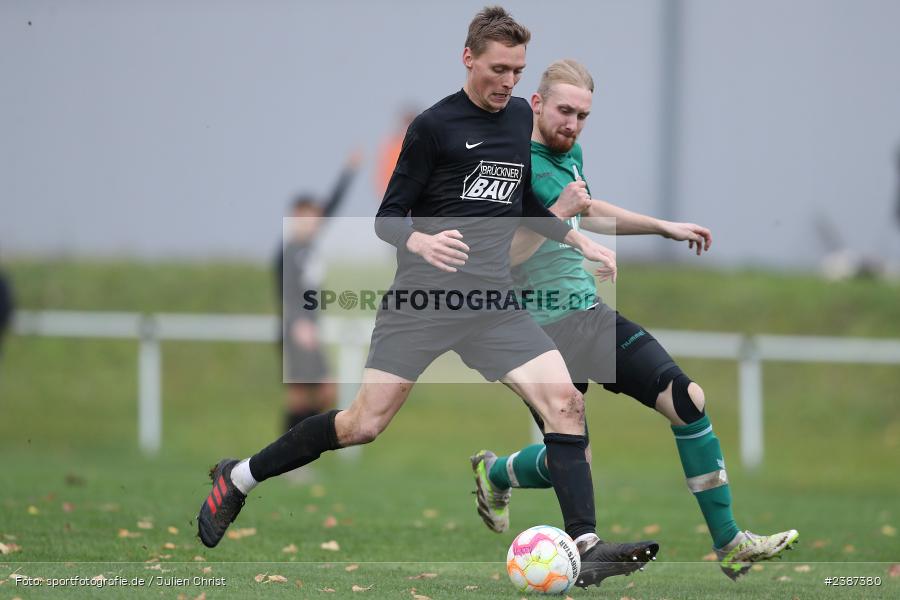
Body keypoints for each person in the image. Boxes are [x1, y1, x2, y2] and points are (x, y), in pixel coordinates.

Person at [197, 7, 658, 588]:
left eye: (517, 70)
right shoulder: (433, 128)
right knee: (363, 424)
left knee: (565, 401)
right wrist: (420, 238)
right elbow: (387, 218)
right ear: (468, 59)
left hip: (494, 304)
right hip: (424, 306)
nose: (509, 82)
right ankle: (238, 478)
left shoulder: (519, 118)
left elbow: (518, 202)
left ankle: (586, 544)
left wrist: (573, 237)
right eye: (498, 69)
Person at [468, 59, 798, 581]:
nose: (572, 124)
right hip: (535, 335)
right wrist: (558, 212)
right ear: (536, 103)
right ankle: (496, 471)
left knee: (687, 400)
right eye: (563, 111)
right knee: (568, 462)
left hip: (589, 316)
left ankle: (731, 543)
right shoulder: (507, 165)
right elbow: (501, 256)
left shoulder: (568, 152)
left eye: (582, 115)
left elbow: (588, 209)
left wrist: (661, 227)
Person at [275, 150, 361, 433]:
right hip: (295, 329)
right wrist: (298, 322)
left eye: (315, 217)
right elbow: (285, 291)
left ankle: (297, 450)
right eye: (307, 217)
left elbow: (332, 206)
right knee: (299, 396)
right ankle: (289, 459)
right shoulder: (287, 252)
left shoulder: (310, 246)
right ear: (296, 218)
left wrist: (348, 172)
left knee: (325, 391)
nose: (313, 222)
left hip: (310, 328)